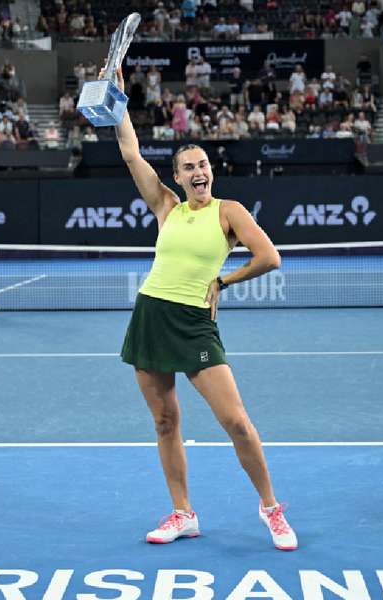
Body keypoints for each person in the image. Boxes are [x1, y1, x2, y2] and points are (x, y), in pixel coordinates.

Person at [107, 66, 297, 551]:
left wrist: (224, 280)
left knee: (236, 421)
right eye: (189, 167)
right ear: (177, 177)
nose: (199, 171)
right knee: (165, 422)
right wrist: (121, 102)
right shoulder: (166, 207)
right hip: (151, 315)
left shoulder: (228, 211)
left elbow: (269, 256)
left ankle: (272, 509)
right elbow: (131, 152)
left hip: (194, 323)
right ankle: (182, 513)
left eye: (204, 164)